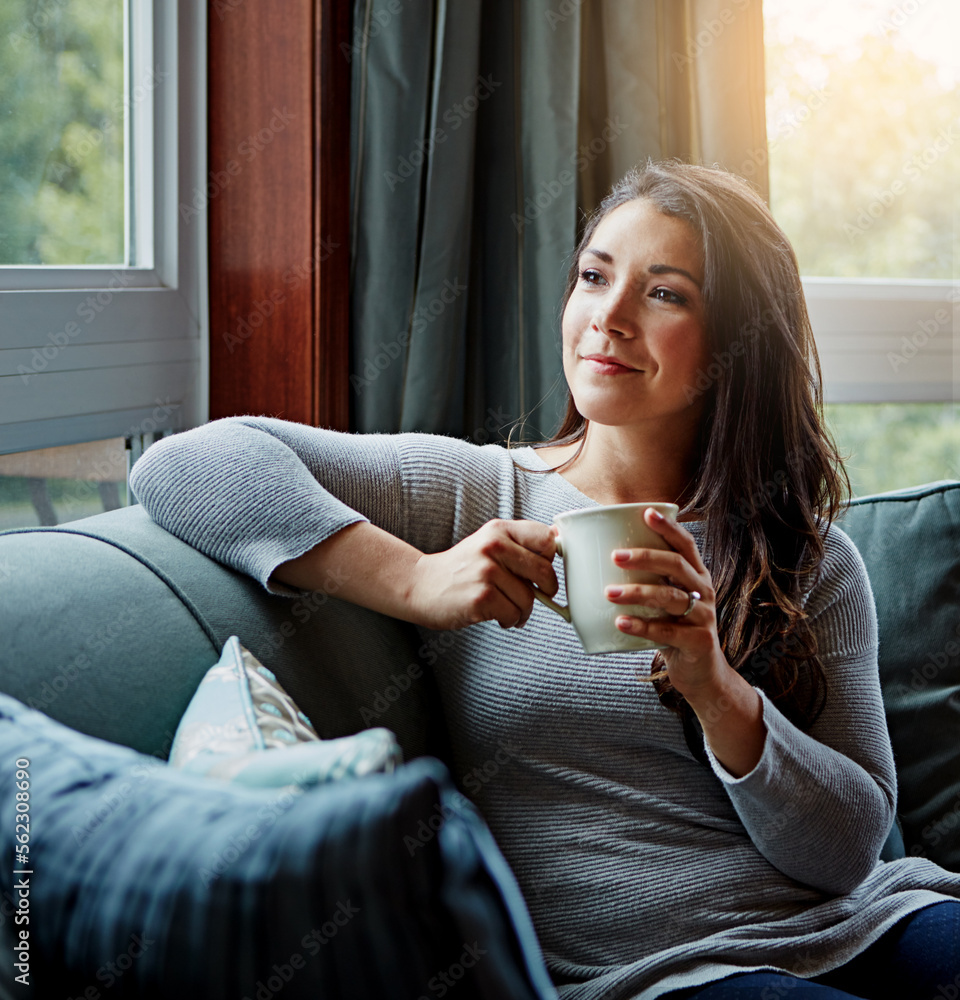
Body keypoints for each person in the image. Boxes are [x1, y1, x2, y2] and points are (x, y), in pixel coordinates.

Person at [130, 160, 960, 999]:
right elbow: (187, 464)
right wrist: (417, 579)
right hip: (660, 976)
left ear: (734, 344)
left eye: (664, 294)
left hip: (874, 925)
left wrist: (715, 689)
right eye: (595, 277)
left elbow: (850, 851)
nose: (609, 316)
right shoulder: (474, 494)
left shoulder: (808, 557)